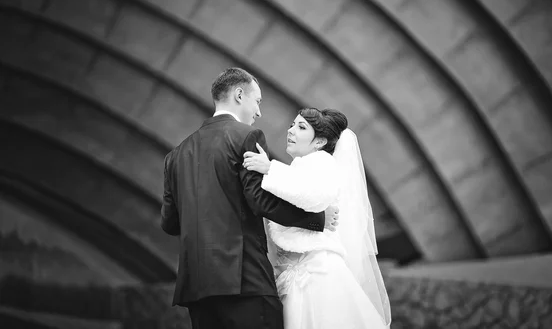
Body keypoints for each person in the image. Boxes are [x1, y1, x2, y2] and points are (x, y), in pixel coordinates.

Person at [161, 68, 339, 329]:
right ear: (239, 95)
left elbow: (169, 223)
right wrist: (317, 219)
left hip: (196, 287)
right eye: (257, 101)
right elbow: (260, 201)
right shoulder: (246, 136)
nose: (258, 112)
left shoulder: (175, 156)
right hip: (243, 279)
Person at [242, 108, 392, 329]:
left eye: (301, 127)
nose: (291, 131)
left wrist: (269, 168)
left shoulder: (321, 162)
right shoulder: (301, 166)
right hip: (299, 273)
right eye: (292, 125)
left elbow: (313, 197)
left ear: (320, 142)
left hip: (317, 275)